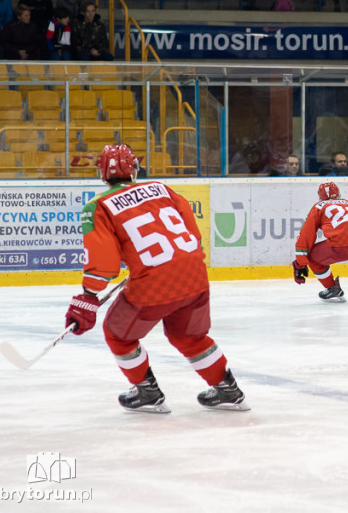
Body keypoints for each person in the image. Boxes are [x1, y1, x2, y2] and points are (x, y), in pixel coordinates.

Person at [64, 144, 249, 413]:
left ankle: (147, 392)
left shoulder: (97, 206)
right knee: (191, 337)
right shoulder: (163, 189)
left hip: (154, 286)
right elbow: (193, 235)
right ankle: (228, 390)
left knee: (118, 335)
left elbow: (102, 263)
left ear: (103, 175)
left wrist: (88, 297)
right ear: (134, 169)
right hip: (194, 274)